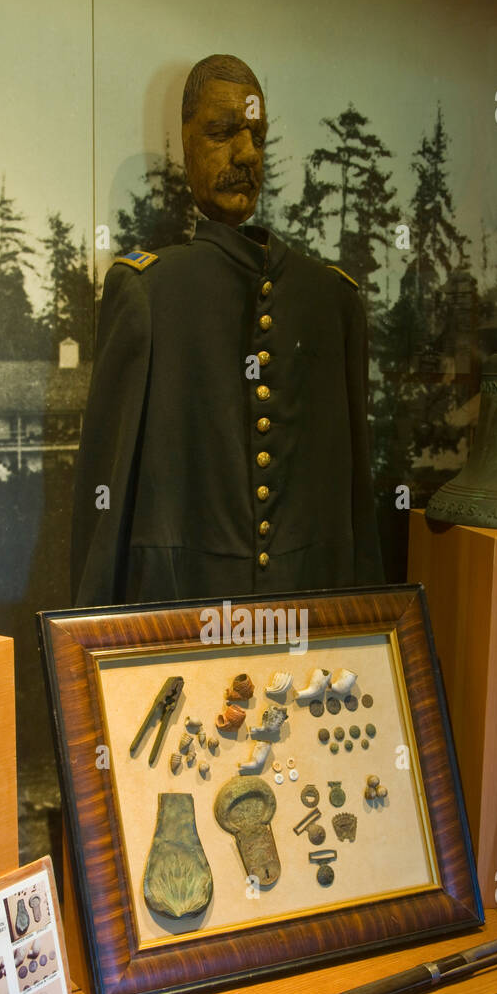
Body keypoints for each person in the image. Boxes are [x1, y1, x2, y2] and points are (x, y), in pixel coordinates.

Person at [71, 54, 383, 606]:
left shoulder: (333, 302)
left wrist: (364, 626)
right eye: (221, 132)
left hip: (309, 621)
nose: (245, 153)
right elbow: (107, 508)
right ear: (185, 141)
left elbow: (357, 501)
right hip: (179, 621)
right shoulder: (147, 294)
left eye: (257, 135)